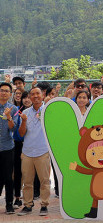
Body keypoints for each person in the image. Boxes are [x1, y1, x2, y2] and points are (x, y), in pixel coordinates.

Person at [17, 87, 51, 216]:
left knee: (44, 181)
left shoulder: (49, 110)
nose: (35, 96)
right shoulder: (25, 112)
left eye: (38, 93)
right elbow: (21, 134)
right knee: (27, 181)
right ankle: (27, 205)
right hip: (27, 151)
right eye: (32, 94)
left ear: (42, 95)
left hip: (43, 150)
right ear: (29, 97)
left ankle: (44, 205)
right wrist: (24, 121)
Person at [0, 82, 19, 214]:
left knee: (8, 177)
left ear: (10, 94)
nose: (4, 93)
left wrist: (8, 117)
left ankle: (9, 204)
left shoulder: (13, 108)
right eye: (2, 90)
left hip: (7, 147)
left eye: (7, 91)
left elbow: (13, 128)